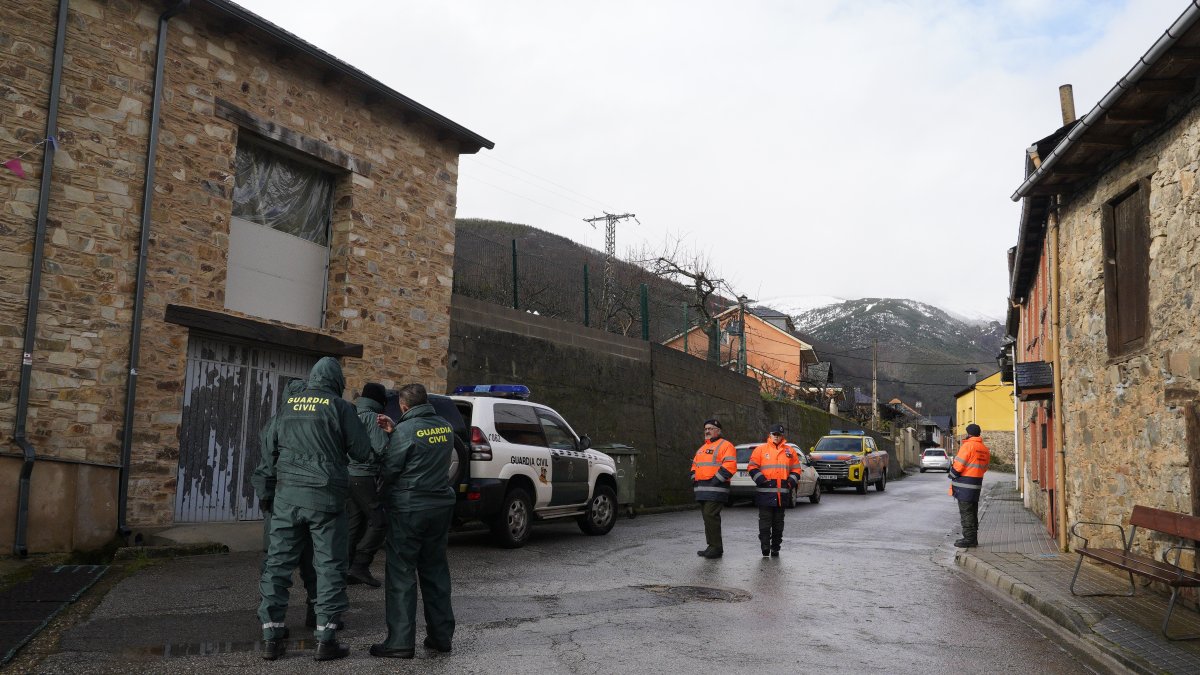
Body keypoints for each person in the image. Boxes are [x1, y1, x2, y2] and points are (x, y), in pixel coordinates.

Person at [257, 357, 372, 662]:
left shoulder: (288, 406)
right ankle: (326, 640)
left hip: (287, 497)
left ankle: (271, 638)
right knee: (329, 566)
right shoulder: (341, 407)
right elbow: (362, 452)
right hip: (325, 499)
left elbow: (269, 450)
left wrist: (269, 491)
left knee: (277, 565)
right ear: (336, 381)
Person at [370, 383, 457, 659]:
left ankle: (399, 642)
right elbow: (423, 446)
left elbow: (392, 468)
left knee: (401, 573)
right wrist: (397, 430)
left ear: (404, 406)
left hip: (409, 509)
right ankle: (441, 637)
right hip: (439, 506)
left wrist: (379, 496)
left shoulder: (406, 431)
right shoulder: (445, 427)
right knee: (435, 571)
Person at [346, 382, 391, 587]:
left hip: (348, 475)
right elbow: (382, 449)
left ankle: (345, 569)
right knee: (379, 521)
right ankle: (360, 566)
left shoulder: (351, 414)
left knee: (354, 524)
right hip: (365, 475)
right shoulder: (374, 418)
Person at [748, 424, 803, 557]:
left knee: (778, 524)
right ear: (770, 434)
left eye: (779, 434)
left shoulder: (790, 451)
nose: (776, 437)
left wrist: (789, 482)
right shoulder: (760, 450)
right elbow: (752, 467)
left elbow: (796, 469)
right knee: (765, 522)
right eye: (774, 434)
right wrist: (761, 480)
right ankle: (765, 546)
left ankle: (775, 547)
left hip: (781, 494)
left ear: (782, 436)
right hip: (765, 493)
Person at [690, 418, 737, 559]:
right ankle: (712, 546)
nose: (707, 431)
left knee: (710, 515)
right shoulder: (701, 449)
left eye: (710, 428)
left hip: (716, 489)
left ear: (718, 430)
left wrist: (715, 481)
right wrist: (694, 479)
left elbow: (730, 466)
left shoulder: (726, 445)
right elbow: (694, 466)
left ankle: (716, 548)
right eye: (705, 429)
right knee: (708, 518)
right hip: (702, 490)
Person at [949, 423, 991, 548]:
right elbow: (984, 468)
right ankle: (973, 538)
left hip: (964, 486)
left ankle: (969, 539)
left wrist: (952, 474)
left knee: (966, 513)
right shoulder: (984, 449)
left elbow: (958, 465)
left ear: (968, 434)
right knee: (973, 512)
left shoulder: (967, 446)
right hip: (976, 484)